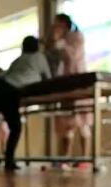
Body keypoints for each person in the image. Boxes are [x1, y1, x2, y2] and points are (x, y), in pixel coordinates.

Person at [0, 36, 51, 171]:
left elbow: (4, 75)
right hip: (8, 90)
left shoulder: (18, 60)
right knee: (15, 127)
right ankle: (9, 161)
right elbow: (48, 79)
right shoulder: (40, 57)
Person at [47, 14, 93, 158]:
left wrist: (59, 41)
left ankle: (85, 159)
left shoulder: (77, 37)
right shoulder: (58, 41)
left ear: (64, 25)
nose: (54, 27)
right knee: (67, 124)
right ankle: (65, 159)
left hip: (78, 83)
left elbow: (72, 57)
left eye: (57, 24)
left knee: (82, 122)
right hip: (65, 85)